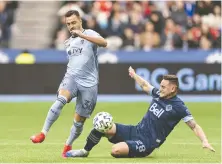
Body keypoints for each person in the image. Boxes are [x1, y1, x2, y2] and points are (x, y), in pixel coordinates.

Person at [65, 66, 215, 158]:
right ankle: (85, 151)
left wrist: (205, 141)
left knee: (115, 150)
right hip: (135, 130)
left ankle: (130, 148)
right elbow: (145, 85)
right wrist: (134, 75)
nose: (160, 88)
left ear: (173, 89)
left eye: (163, 87)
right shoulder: (158, 94)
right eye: (160, 85)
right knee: (101, 126)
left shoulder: (179, 106)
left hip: (147, 142)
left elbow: (194, 126)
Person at [30, 10, 107, 157]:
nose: (71, 26)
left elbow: (104, 43)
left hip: (89, 84)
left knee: (79, 122)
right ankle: (43, 133)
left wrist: (82, 35)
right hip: (71, 78)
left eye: (74, 23)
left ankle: (68, 145)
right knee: (60, 101)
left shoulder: (90, 34)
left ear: (80, 21)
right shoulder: (68, 42)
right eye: (68, 24)